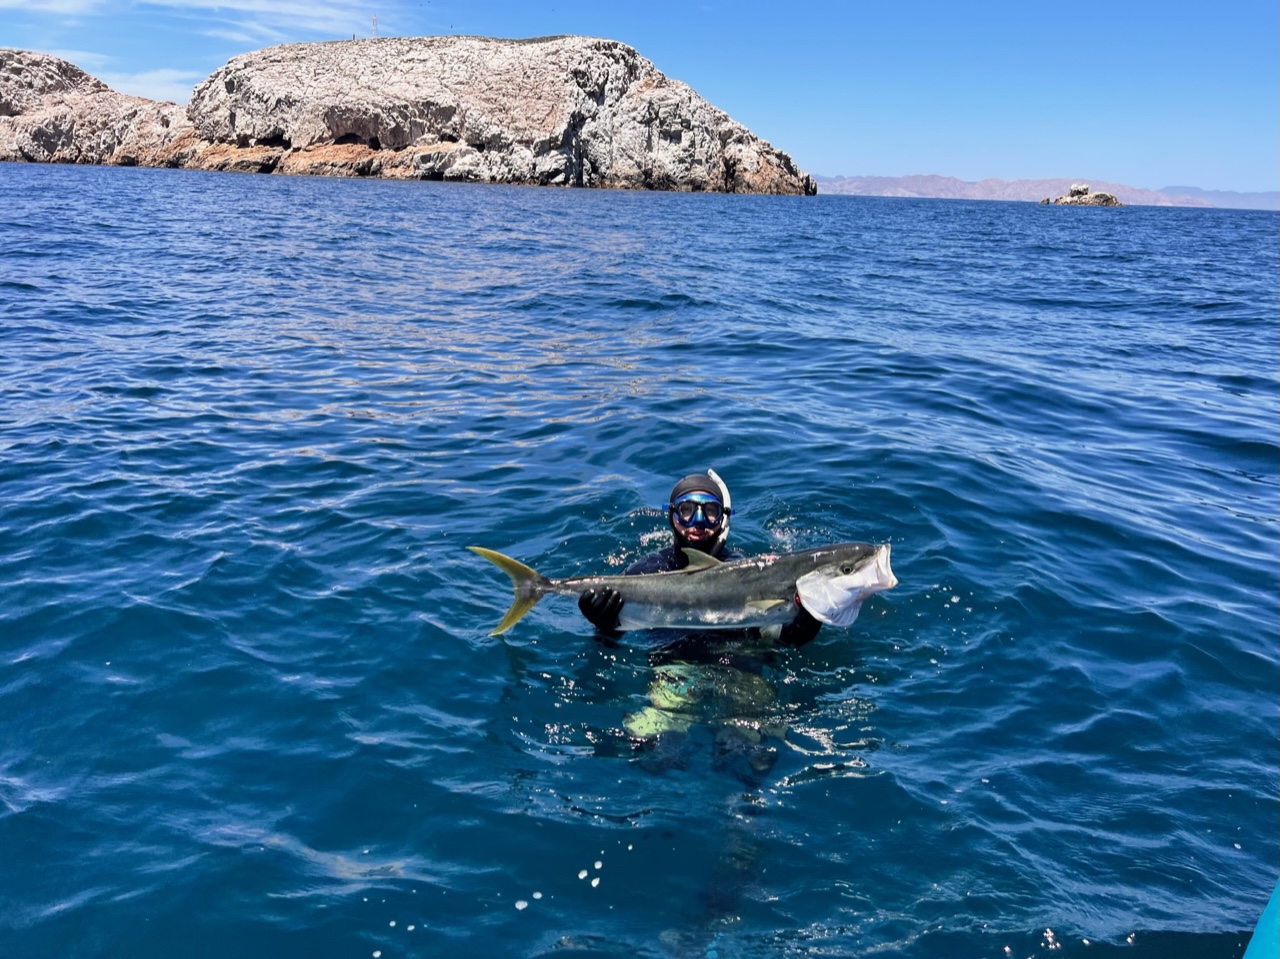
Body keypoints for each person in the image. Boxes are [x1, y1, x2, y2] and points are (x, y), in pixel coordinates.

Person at [577, 471, 822, 646]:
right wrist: (605, 626)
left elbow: (775, 637)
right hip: (672, 664)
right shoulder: (647, 571)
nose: (698, 522)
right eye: (687, 511)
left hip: (736, 663)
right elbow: (617, 637)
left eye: (710, 512)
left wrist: (805, 622)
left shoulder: (743, 570)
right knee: (651, 719)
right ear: (672, 517)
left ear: (722, 518)